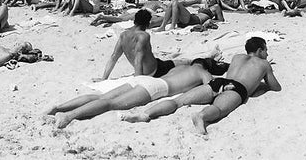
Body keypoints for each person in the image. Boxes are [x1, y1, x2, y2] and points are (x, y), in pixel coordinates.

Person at [122, 38, 280, 129]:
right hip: (237, 88)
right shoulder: (264, 64)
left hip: (219, 81)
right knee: (218, 109)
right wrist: (260, 82)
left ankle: (145, 114)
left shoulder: (237, 57)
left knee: (178, 101)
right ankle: (201, 117)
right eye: (266, 50)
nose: (267, 54)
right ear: (260, 50)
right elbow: (275, 87)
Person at [46, 58, 227, 129]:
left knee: (102, 97)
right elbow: (210, 87)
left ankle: (58, 107)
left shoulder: (181, 66)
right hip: (157, 87)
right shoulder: (201, 72)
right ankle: (69, 116)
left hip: (142, 79)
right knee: (111, 105)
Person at [97, 10, 182, 80]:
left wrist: (104, 78)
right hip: (154, 71)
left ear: (134, 21)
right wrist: (138, 81)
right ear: (148, 24)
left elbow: (114, 57)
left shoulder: (124, 35)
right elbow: (138, 60)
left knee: (168, 60)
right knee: (184, 62)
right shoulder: (143, 36)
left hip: (147, 69)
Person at [154, 0, 224, 32]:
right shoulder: (206, 6)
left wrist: (211, 20)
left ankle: (172, 26)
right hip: (190, 19)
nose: (207, 1)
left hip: (195, 20)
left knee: (175, 2)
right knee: (172, 3)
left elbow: (221, 20)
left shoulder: (216, 6)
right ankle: (162, 26)